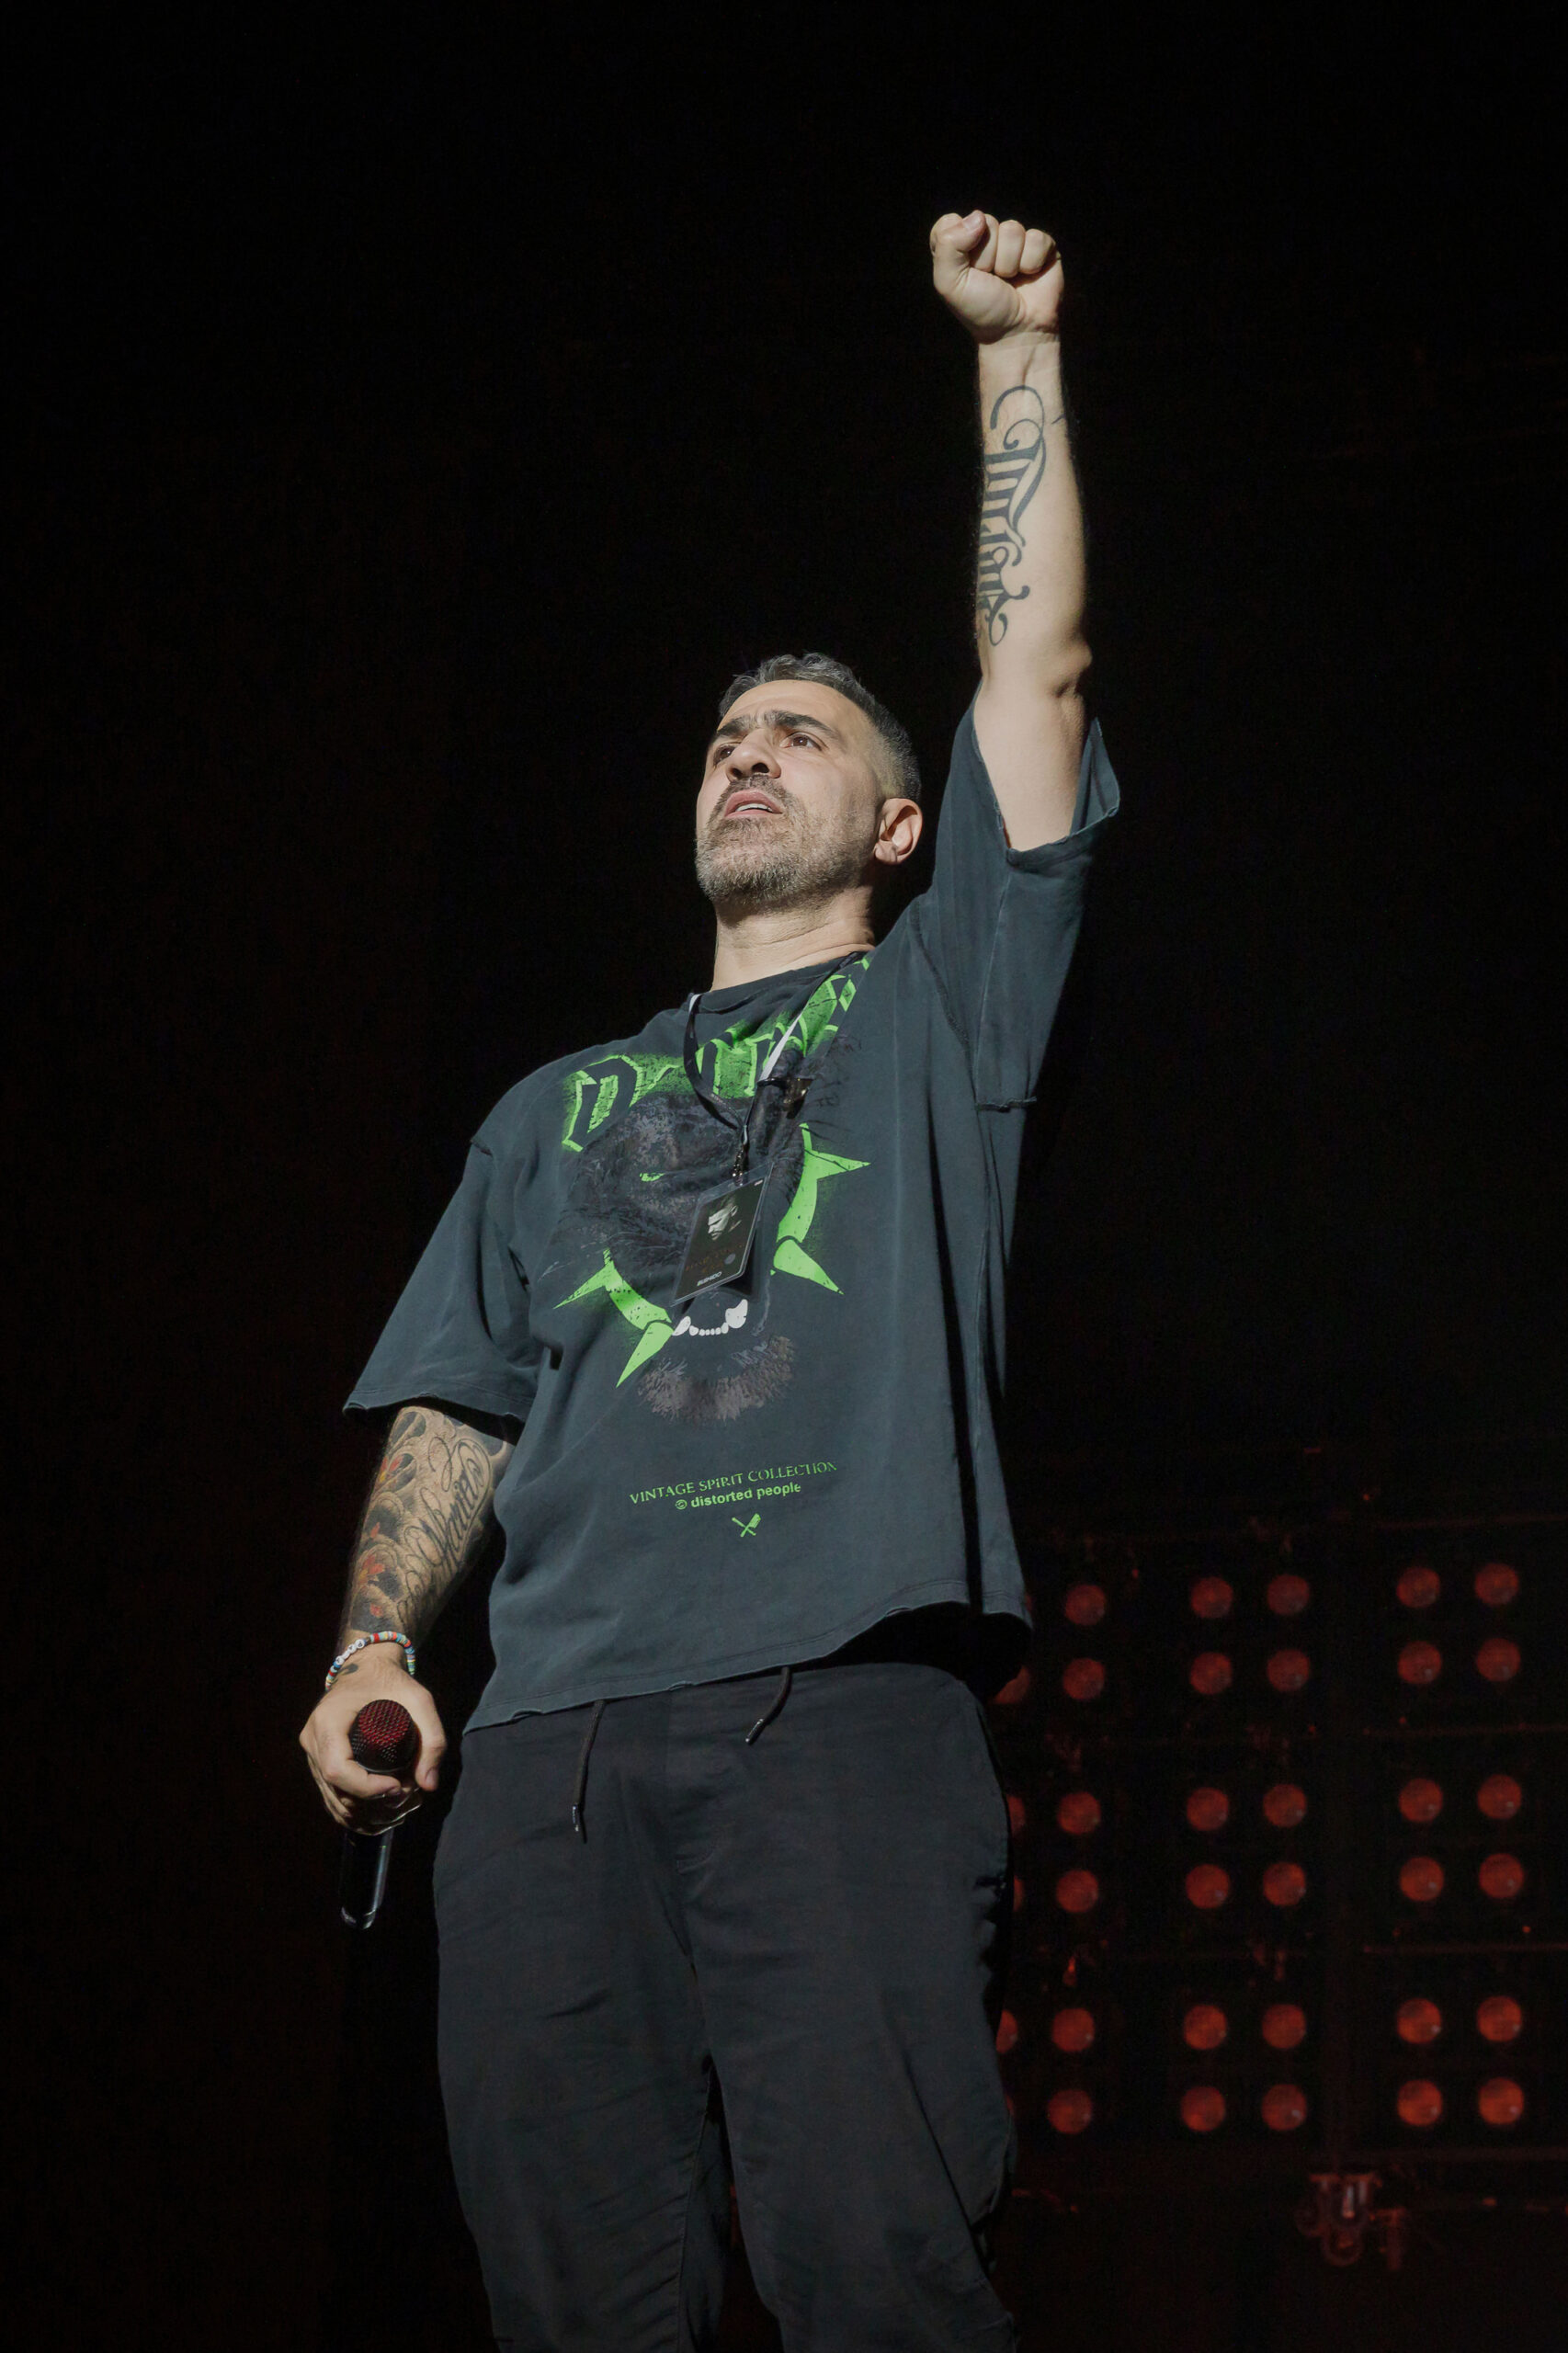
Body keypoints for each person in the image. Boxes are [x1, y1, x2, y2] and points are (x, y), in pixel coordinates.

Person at [301, 210, 1119, 2352]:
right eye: (719, 735)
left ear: (902, 824)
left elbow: (1034, 674)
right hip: (551, 1742)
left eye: (799, 732)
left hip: (835, 1700)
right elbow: (461, 1400)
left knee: (875, 2266)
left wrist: (1012, 357)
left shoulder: (950, 1007)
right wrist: (375, 1645)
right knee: (574, 2299)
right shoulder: (548, 1106)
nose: (742, 750)